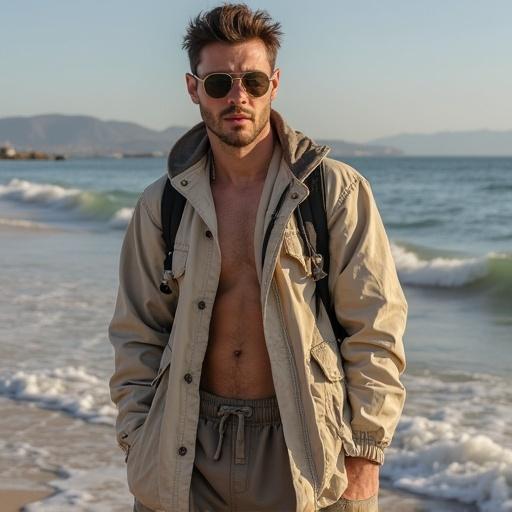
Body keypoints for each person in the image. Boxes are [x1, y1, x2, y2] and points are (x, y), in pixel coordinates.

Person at [108, 4, 407, 512]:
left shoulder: (332, 192)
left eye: (253, 80)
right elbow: (138, 333)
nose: (238, 97)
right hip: (186, 447)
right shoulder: (163, 204)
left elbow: (375, 328)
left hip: (307, 448)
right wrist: (139, 439)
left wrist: (366, 454)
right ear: (193, 87)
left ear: (275, 83)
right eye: (219, 83)